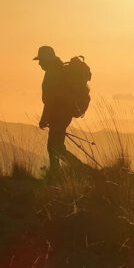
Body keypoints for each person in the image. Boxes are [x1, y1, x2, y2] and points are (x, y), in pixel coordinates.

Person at [34, 45, 85, 177]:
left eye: (41, 60)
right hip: (62, 114)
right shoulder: (57, 69)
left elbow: (51, 100)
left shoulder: (53, 73)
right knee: (55, 147)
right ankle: (58, 172)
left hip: (59, 115)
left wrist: (44, 118)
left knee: (55, 148)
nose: (39, 63)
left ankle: (82, 170)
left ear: (47, 60)